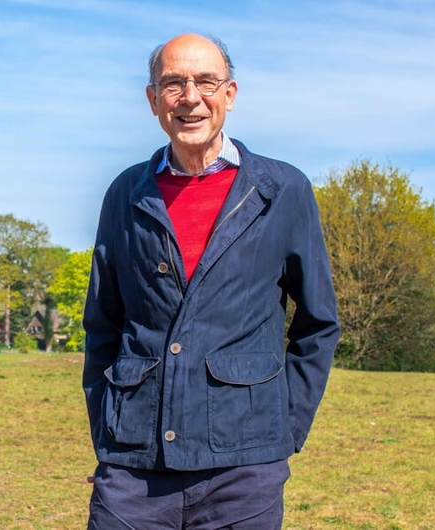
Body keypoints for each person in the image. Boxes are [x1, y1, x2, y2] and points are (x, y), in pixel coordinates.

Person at [82, 33, 340, 529]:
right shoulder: (124, 193)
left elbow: (318, 325)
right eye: (174, 83)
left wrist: (281, 431)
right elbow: (104, 326)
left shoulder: (283, 190)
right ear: (153, 99)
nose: (191, 97)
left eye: (206, 81)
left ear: (230, 94)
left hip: (244, 469)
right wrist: (109, 434)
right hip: (134, 467)